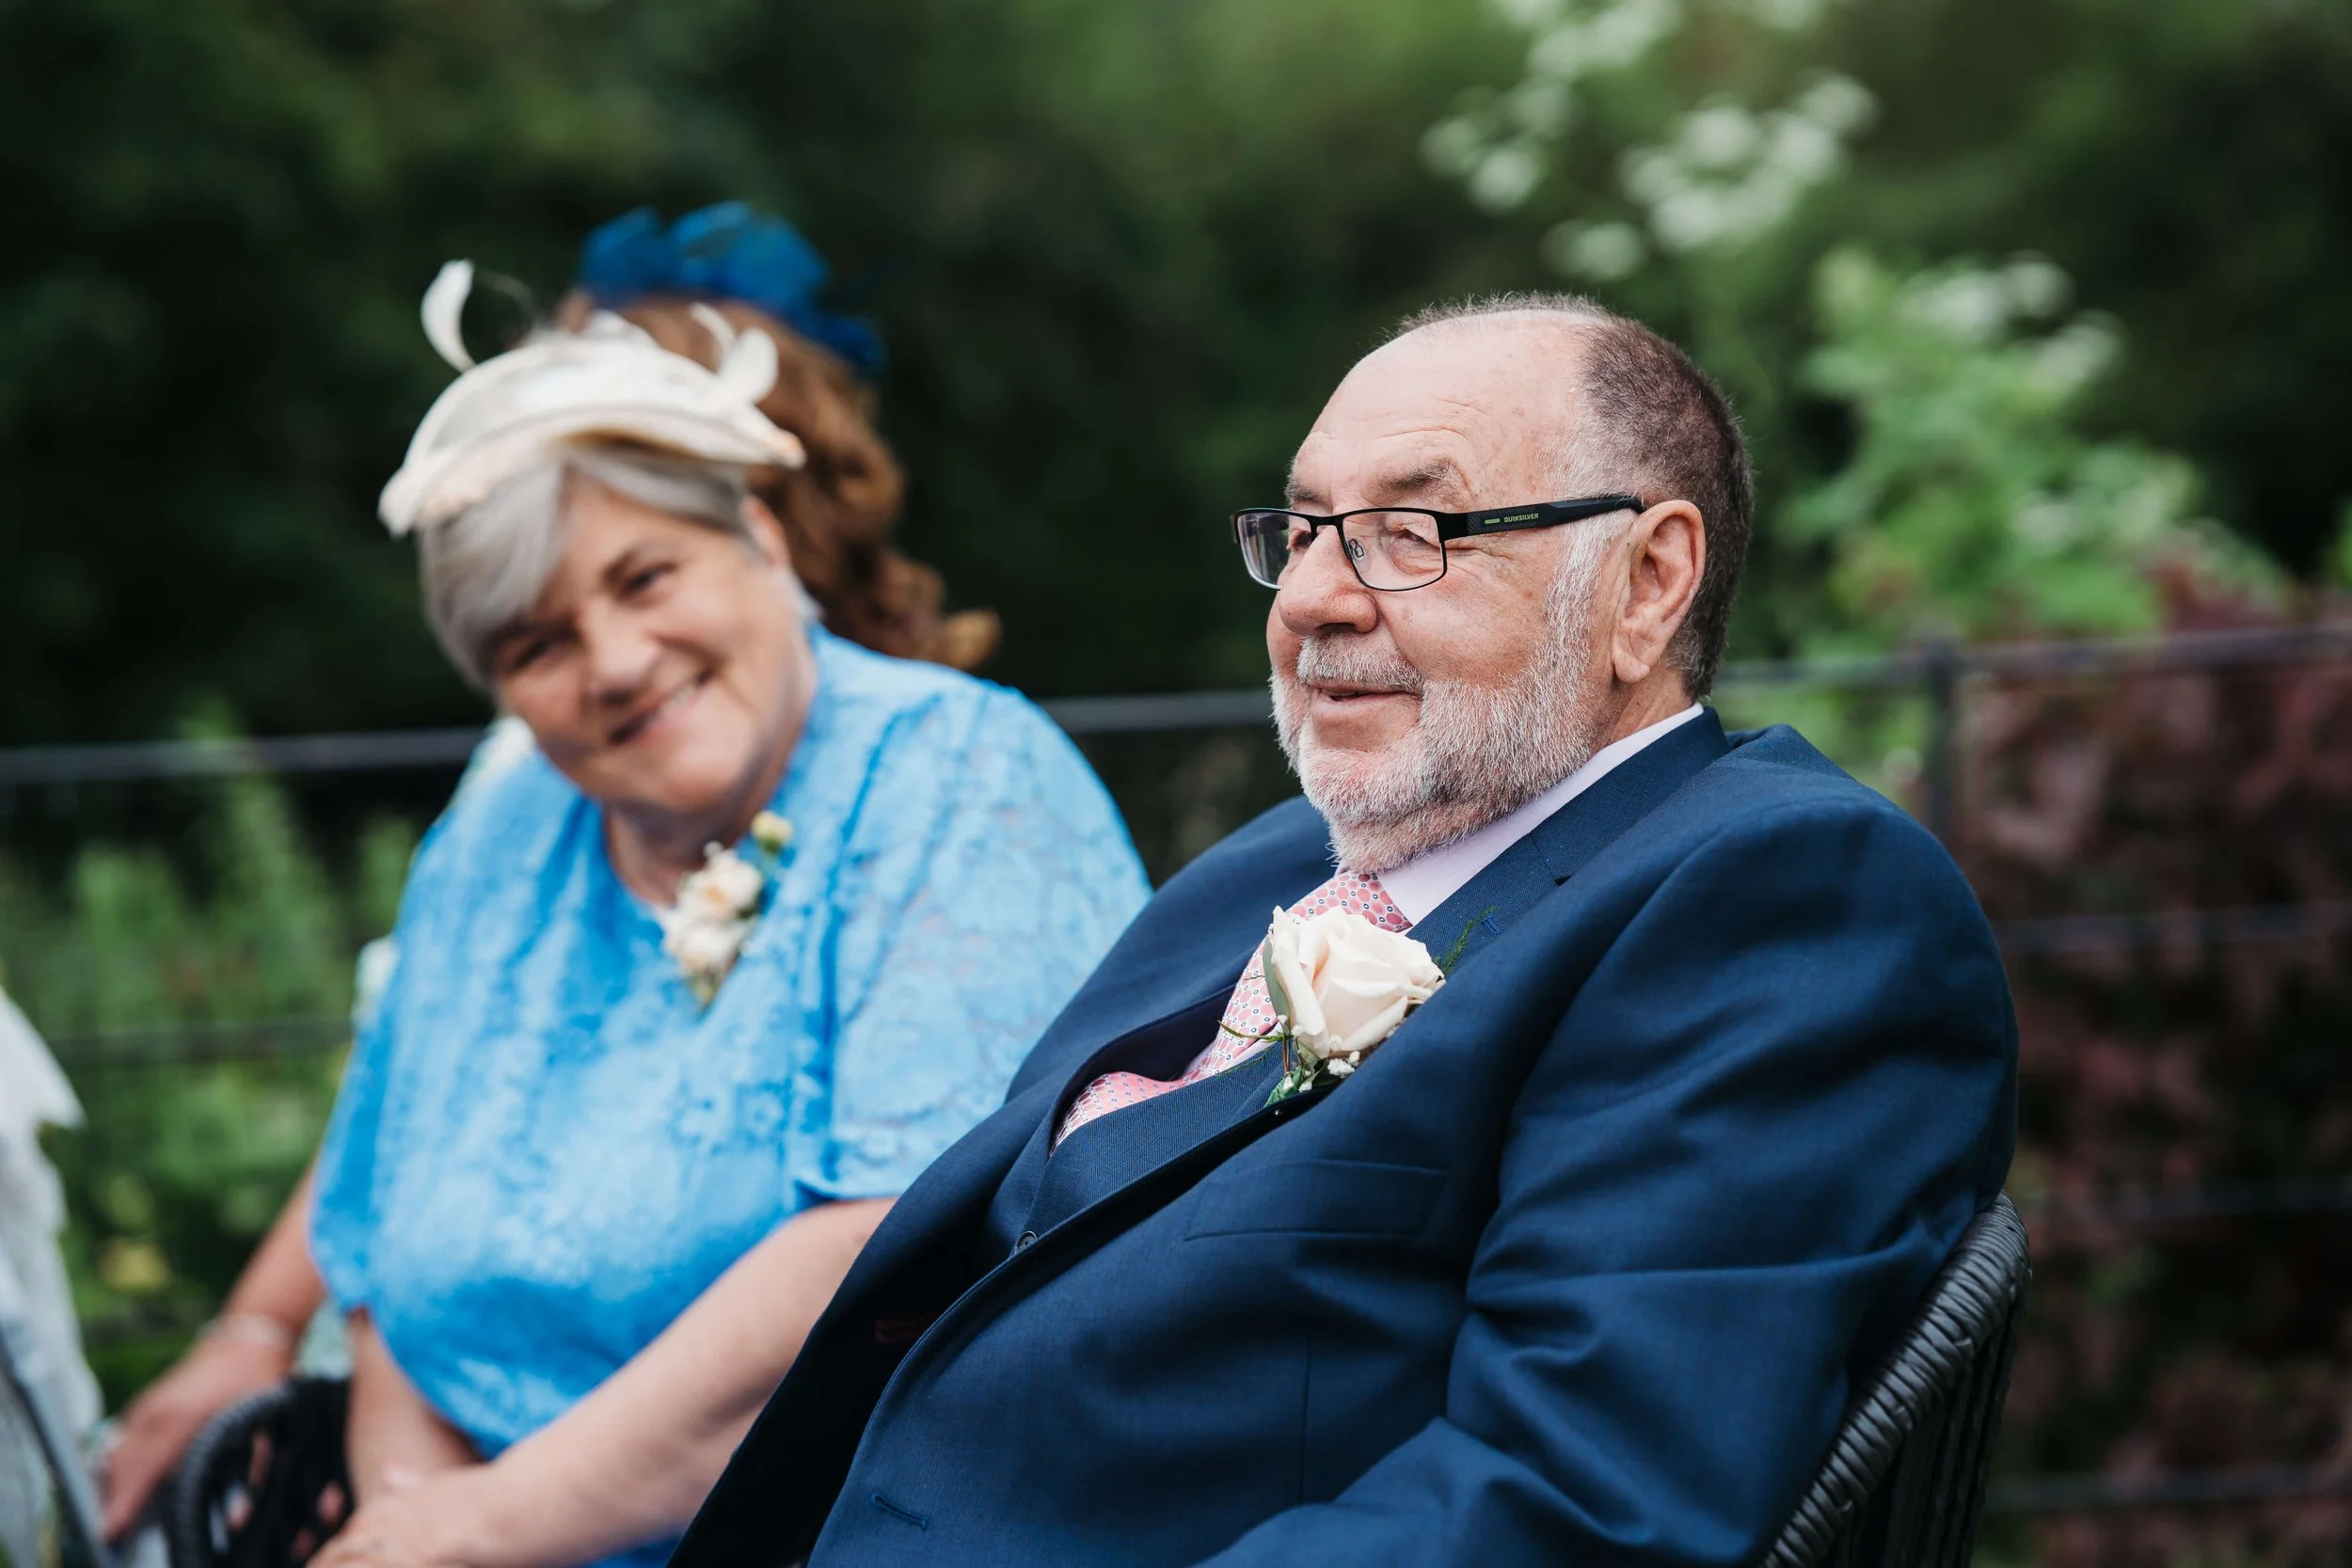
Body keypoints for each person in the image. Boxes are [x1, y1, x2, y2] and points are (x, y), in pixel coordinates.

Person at [672, 294, 2019, 1568]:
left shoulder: (1784, 899)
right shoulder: (1276, 856)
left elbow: (1569, 1504)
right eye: (1305, 528)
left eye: (1411, 531)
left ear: (1649, 582)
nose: (1310, 597)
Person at [107, 208, 1155, 1568]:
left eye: (646, 574)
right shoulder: (507, 823)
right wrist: (408, 1522)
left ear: (765, 548)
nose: (610, 659)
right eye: (538, 641)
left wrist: (478, 1532)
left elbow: (885, 1259)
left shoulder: (963, 774)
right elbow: (387, 1260)